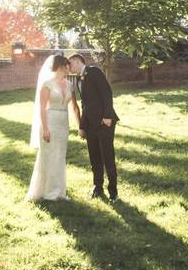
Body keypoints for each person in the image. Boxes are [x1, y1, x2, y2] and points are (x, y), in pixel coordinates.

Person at [26, 54, 81, 201]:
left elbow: (75, 106)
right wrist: (45, 128)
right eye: (68, 65)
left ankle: (59, 192)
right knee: (48, 156)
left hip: (63, 123)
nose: (70, 68)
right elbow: (42, 108)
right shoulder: (47, 84)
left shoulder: (70, 84)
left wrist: (80, 125)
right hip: (49, 122)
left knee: (60, 156)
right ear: (62, 66)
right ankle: (46, 191)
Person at [69, 53, 119, 201]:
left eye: (70, 63)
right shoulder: (79, 78)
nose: (69, 67)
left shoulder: (94, 71)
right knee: (94, 158)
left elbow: (107, 93)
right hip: (90, 125)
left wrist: (108, 117)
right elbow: (85, 105)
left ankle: (113, 192)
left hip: (105, 123)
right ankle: (98, 187)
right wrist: (82, 126)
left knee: (107, 157)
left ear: (77, 61)